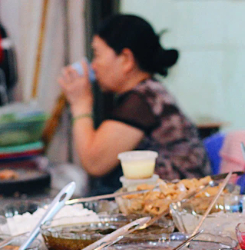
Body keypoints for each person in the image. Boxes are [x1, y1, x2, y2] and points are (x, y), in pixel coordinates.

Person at [58, 14, 210, 194]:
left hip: (181, 204)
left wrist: (80, 103)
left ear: (126, 60)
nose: (93, 66)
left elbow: (94, 162)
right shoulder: (148, 93)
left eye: (97, 55)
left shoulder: (143, 100)